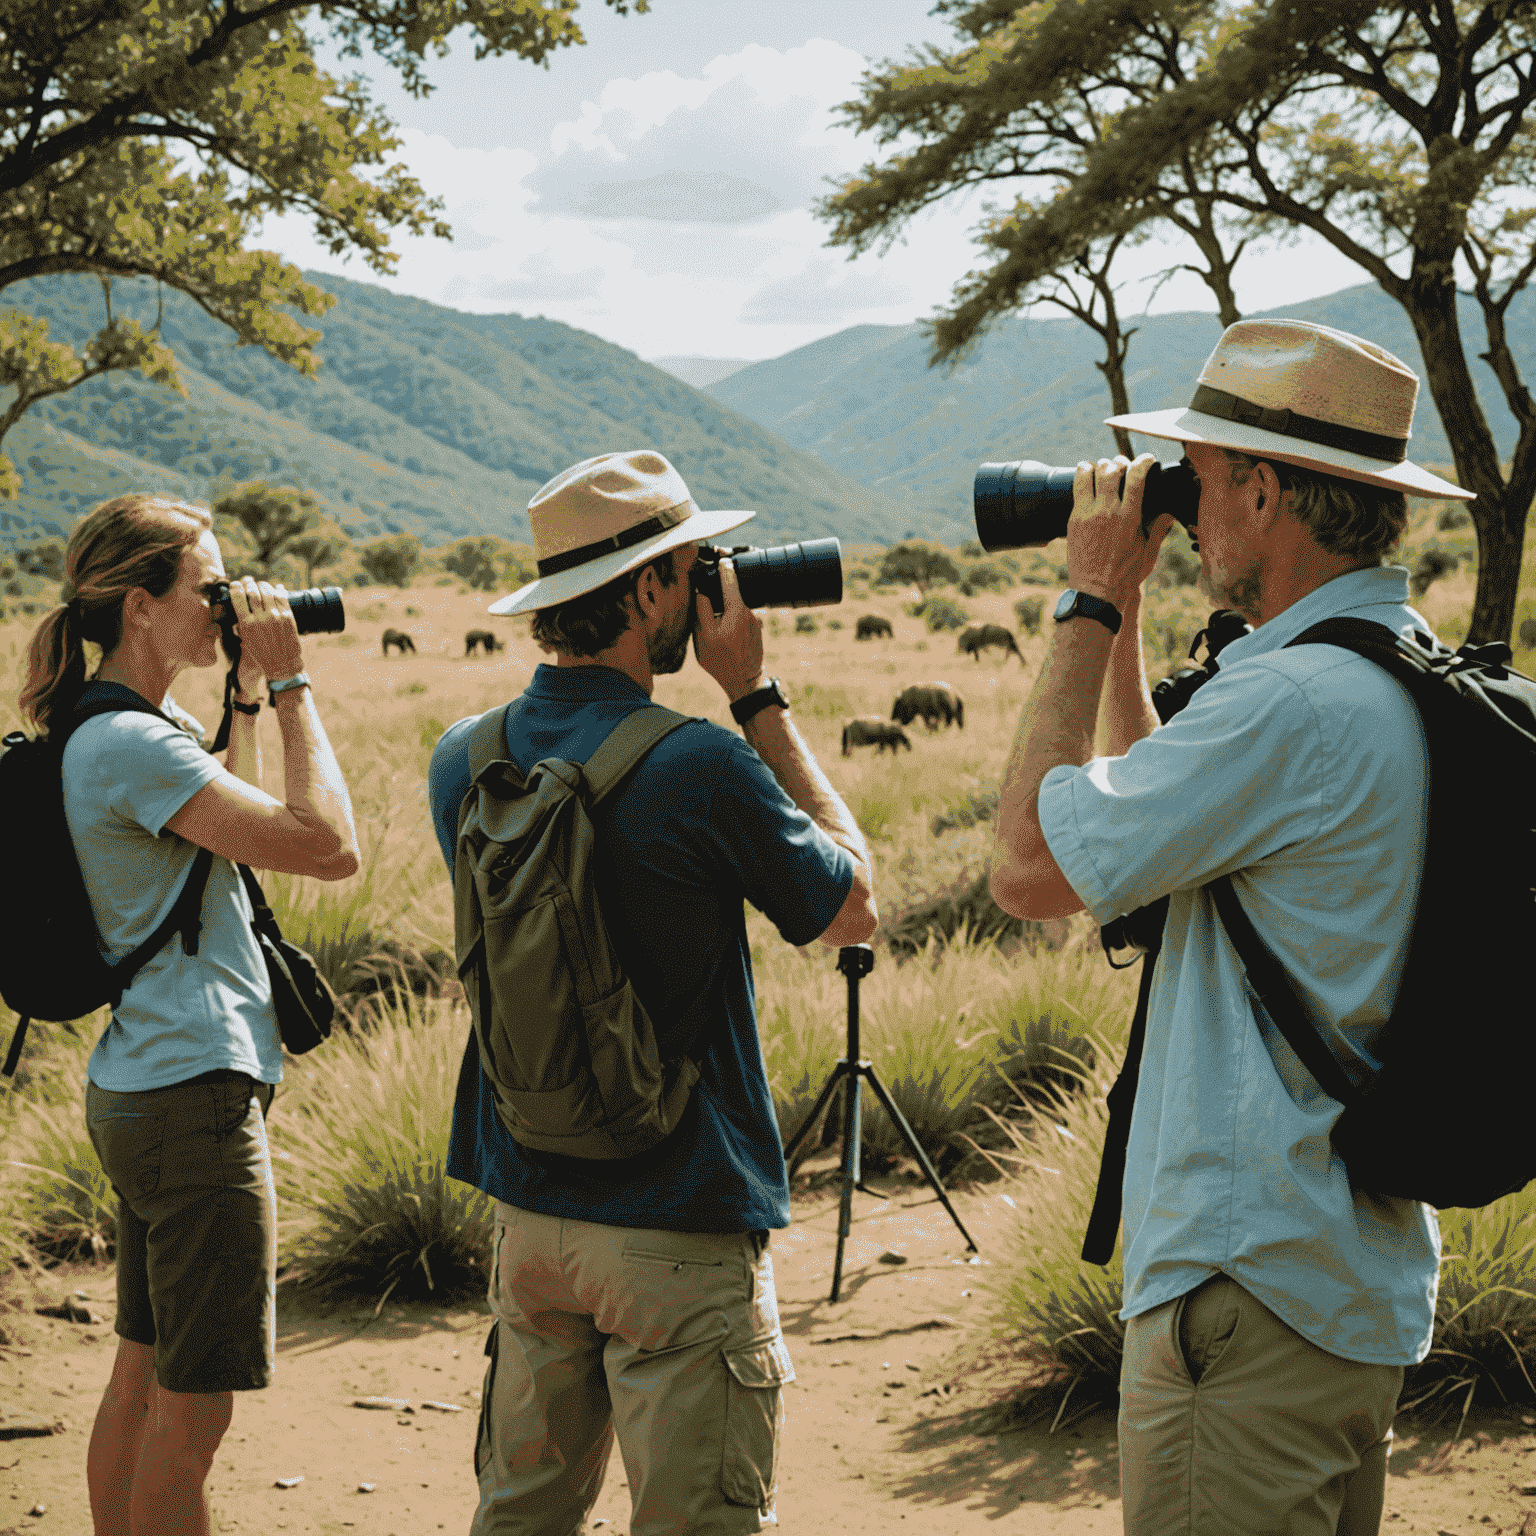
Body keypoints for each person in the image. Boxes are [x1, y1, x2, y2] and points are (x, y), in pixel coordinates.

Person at [988, 320, 1471, 1536]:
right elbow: (1163, 836)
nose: (1179, 506)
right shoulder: (1385, 667)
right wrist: (1137, 616)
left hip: (1248, 1287)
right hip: (1340, 1285)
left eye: (1196, 480)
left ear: (1263, 490)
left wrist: (1088, 599)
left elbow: (1031, 870)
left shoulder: (1288, 702)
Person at [426, 449, 878, 1535]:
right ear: (644, 592)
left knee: (522, 1515)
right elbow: (851, 906)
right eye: (687, 567)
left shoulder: (463, 758)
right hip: (679, 1223)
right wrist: (756, 695)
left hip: (530, 1212)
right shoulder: (699, 764)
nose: (705, 585)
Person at [18, 492, 360, 1536]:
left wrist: (248, 701)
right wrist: (298, 682)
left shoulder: (123, 730)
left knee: (139, 1377)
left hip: (145, 1085)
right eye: (208, 587)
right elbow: (325, 845)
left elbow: (229, 845)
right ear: (139, 606)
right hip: (193, 1101)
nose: (226, 603)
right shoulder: (134, 744)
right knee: (192, 1413)